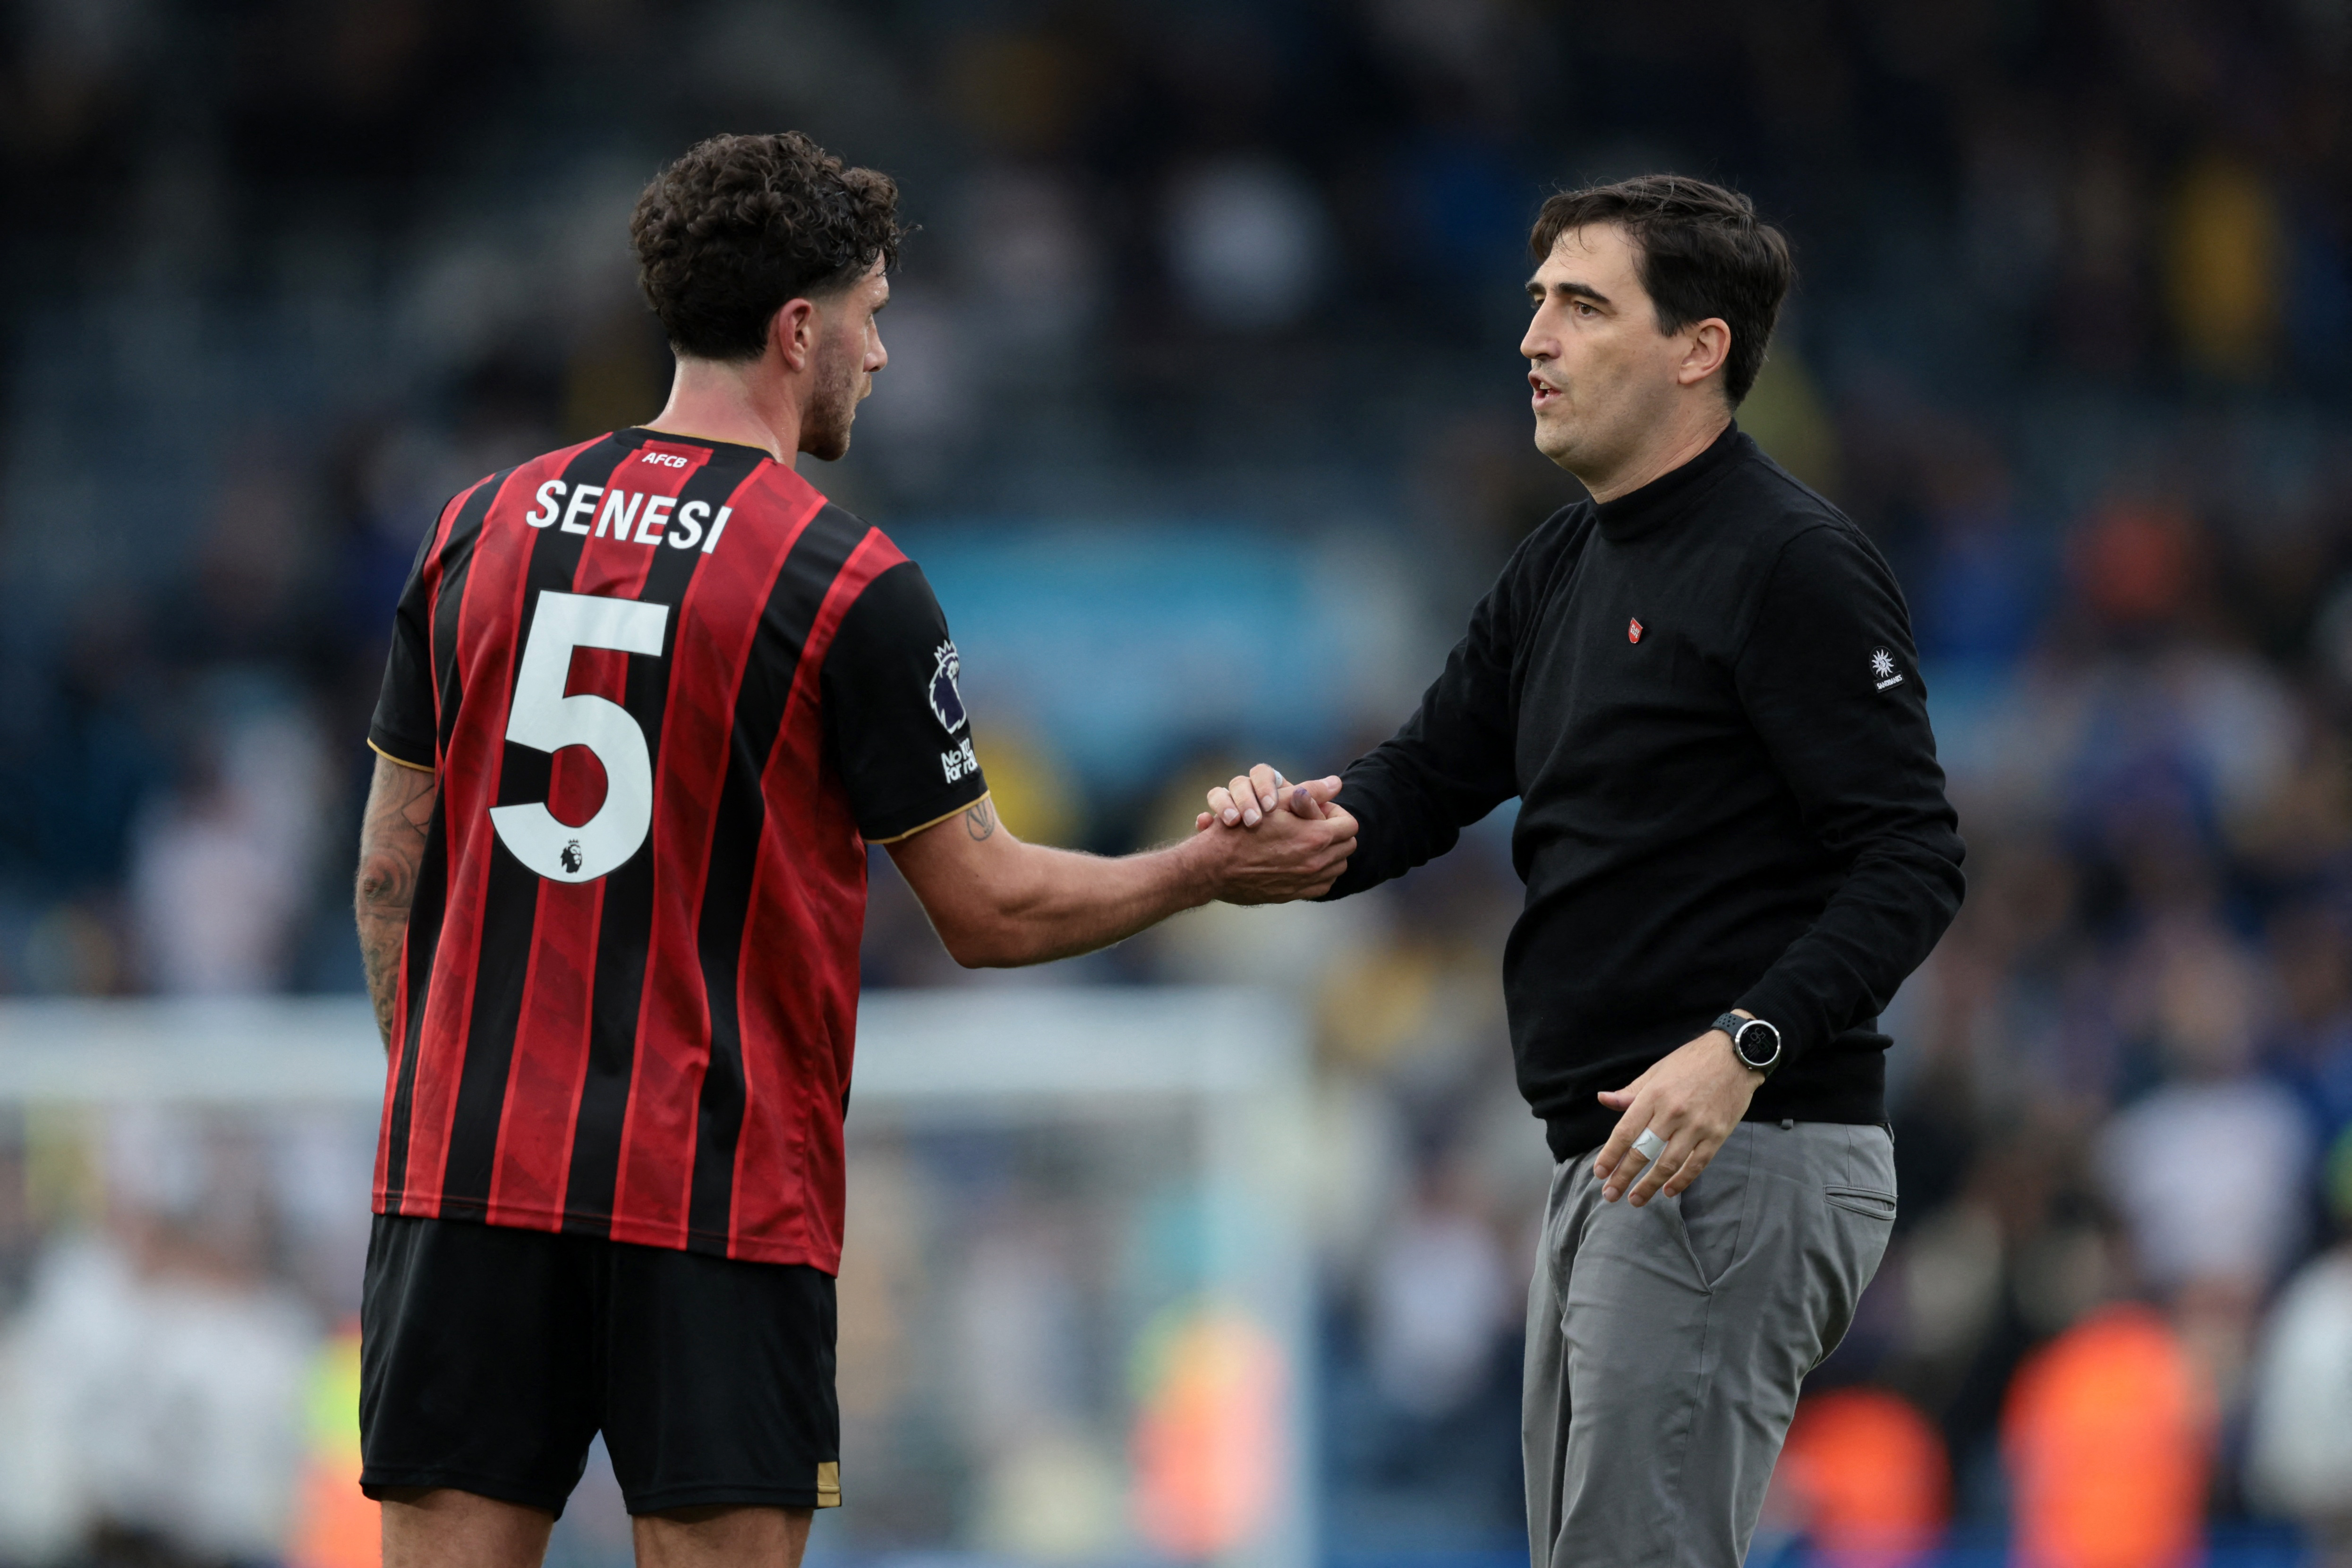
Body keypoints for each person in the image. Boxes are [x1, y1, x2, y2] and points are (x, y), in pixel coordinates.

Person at [350, 131, 1356, 1568]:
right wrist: (1202, 871)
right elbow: (990, 910)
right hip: (712, 1194)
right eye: (875, 316)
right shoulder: (842, 582)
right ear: (798, 328)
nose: (882, 356)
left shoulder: (475, 531)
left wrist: (442, 1107)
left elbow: (392, 871)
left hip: (465, 1182)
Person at [1205, 175, 1965, 1566]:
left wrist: (1740, 1045)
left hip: (1740, 1147)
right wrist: (1295, 823)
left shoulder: (1789, 560)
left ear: (1698, 348)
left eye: (1580, 304)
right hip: (1612, 1163)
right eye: (1535, 303)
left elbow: (1913, 856)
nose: (1533, 340)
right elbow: (1420, 780)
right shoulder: (1563, 560)